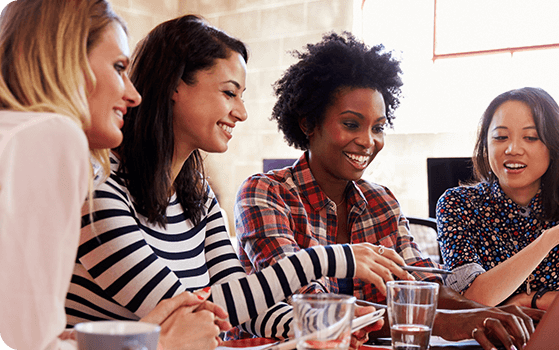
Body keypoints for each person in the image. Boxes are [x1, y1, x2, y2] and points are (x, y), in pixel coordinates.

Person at [64, 15, 410, 348]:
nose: (242, 112)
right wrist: (331, 258)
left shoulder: (196, 193)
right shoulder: (98, 189)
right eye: (230, 93)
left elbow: (243, 305)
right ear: (174, 85)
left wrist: (323, 325)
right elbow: (189, 314)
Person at [235, 32, 542, 350]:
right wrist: (442, 322)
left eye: (378, 127)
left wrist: (489, 315)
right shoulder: (265, 194)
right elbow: (312, 308)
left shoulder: (381, 202)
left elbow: (422, 285)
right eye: (352, 124)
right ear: (308, 123)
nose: (369, 141)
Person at [0, 1, 230, 350]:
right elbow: (28, 345)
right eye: (119, 67)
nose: (133, 94)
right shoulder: (52, 136)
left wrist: (135, 338)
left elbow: (30, 329)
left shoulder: (18, 132)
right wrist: (161, 345)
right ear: (67, 60)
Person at [436, 87, 559, 311]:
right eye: (500, 137)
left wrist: (532, 300)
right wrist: (550, 239)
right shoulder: (457, 204)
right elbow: (469, 300)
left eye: (531, 137)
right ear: (485, 145)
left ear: (554, 146)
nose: (513, 149)